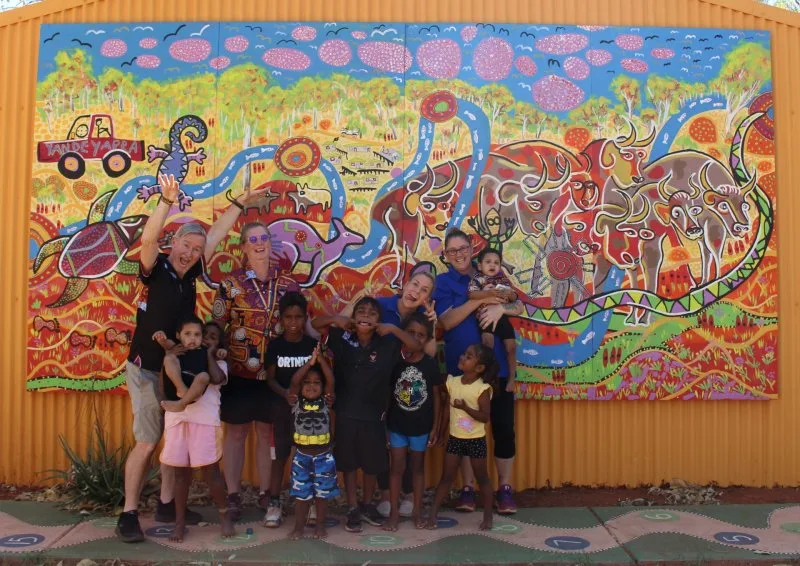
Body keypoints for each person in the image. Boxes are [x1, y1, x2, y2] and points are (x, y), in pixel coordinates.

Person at [116, 174, 267, 543]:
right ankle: (129, 514)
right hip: (147, 369)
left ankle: (167, 504)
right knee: (148, 441)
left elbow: (213, 235)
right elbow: (149, 239)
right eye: (186, 245)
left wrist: (238, 205)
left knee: (169, 439)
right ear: (174, 244)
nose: (191, 252)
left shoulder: (190, 276)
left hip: (174, 373)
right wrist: (166, 201)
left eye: (197, 249)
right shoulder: (158, 270)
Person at [212, 221, 301, 520]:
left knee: (267, 433)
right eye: (253, 239)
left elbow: (303, 324)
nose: (259, 243)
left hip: (274, 376)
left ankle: (266, 493)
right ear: (244, 246)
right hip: (239, 373)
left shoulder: (288, 284)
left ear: (270, 243)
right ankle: (233, 494)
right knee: (236, 433)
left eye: (264, 237)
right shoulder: (229, 284)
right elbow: (216, 326)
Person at [312, 297, 422, 533]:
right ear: (353, 317)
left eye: (372, 313)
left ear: (378, 321)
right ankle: (352, 507)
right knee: (349, 464)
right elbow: (314, 324)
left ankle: (367, 504)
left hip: (374, 415)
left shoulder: (388, 343)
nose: (366, 316)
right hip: (345, 413)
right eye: (360, 311)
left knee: (372, 465)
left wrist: (393, 328)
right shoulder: (342, 338)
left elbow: (415, 346)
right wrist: (335, 318)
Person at [433, 229, 523, 516]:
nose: (458, 254)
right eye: (452, 251)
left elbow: (519, 304)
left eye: (463, 248)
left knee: (503, 430)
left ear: (473, 248)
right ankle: (468, 488)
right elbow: (445, 321)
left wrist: (501, 310)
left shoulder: (491, 272)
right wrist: (479, 300)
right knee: (466, 432)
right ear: (446, 255)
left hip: (496, 367)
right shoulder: (444, 282)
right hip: (463, 374)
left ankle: (505, 489)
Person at [157, 317, 234, 542]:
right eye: (189, 334)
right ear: (179, 336)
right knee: (181, 474)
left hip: (204, 420)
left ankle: (224, 515)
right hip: (178, 418)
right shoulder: (176, 357)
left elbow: (217, 379)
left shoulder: (214, 361)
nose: (195, 339)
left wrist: (209, 353)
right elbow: (164, 382)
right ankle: (179, 523)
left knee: (211, 472)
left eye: (201, 336)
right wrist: (164, 402)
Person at [426, 344, 497, 531]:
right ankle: (433, 514)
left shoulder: (482, 389)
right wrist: (442, 432)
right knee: (446, 477)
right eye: (465, 353)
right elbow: (447, 410)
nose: (463, 357)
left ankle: (488, 516)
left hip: (475, 440)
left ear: (479, 368)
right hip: (455, 439)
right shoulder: (452, 382)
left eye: (469, 356)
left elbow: (485, 417)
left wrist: (465, 408)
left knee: (482, 478)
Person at [382, 313, 443, 531]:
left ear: (427, 340)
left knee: (417, 468)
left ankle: (417, 512)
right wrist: (386, 426)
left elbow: (437, 397)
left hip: (421, 428)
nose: (416, 339)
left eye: (421, 335)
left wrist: (435, 427)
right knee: (396, 468)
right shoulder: (395, 362)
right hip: (397, 425)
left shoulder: (429, 365)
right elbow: (388, 394)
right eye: (411, 333)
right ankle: (394, 515)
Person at [264, 291, 319, 528]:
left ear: (305, 318)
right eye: (288, 317)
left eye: (298, 317)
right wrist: (284, 393)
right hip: (281, 409)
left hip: (310, 412)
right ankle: (274, 503)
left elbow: (321, 377)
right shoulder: (276, 346)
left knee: (308, 457)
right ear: (281, 319)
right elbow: (270, 379)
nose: (294, 323)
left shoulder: (312, 345)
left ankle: (309, 503)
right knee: (280, 457)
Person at [286, 344, 339, 540]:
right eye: (307, 382)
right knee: (302, 495)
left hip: (324, 456)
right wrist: (310, 362)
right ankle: (299, 527)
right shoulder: (295, 401)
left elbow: (331, 380)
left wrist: (321, 360)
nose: (311, 385)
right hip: (302, 457)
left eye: (317, 382)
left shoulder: (327, 401)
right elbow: (294, 380)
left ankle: (320, 526)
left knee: (322, 495)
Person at [468, 247, 519, 400]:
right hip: (485, 316)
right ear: (479, 266)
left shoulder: (502, 279)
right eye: (488, 262)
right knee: (487, 345)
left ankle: (511, 379)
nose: (492, 265)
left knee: (511, 347)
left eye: (496, 263)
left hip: (502, 317)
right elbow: (471, 294)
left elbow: (514, 296)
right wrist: (487, 293)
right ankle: (486, 378)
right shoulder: (478, 278)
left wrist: (509, 295)